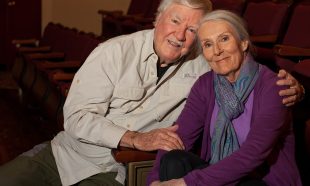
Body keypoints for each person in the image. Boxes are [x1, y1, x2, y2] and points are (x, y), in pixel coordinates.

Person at [0, 1, 303, 186]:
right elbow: (75, 118)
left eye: (194, 29)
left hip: (117, 172)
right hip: (66, 155)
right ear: (158, 18)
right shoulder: (113, 52)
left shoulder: (207, 62)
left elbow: (251, 66)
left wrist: (298, 87)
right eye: (174, 20)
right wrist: (135, 137)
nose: (181, 34)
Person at [147, 10, 302, 186]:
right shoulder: (205, 85)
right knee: (174, 159)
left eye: (224, 39)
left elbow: (252, 154)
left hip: (262, 180)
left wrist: (186, 183)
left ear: (243, 43)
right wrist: (154, 181)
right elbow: (178, 137)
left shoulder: (275, 87)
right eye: (207, 44)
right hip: (216, 172)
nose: (217, 51)